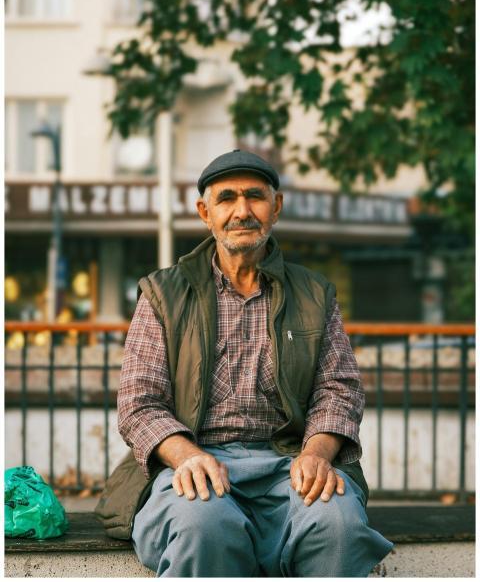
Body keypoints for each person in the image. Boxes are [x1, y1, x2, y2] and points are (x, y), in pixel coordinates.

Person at [96, 149, 393, 577]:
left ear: (276, 207)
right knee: (204, 525)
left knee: (339, 524)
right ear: (205, 212)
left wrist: (316, 453)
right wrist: (187, 456)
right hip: (195, 461)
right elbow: (139, 402)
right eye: (227, 198)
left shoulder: (314, 293)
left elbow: (339, 390)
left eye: (254, 197)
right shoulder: (164, 293)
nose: (242, 211)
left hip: (288, 462)